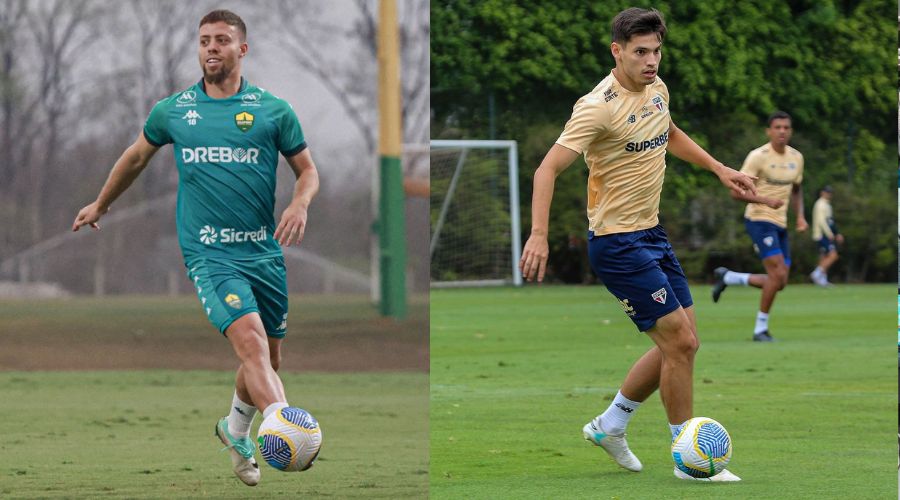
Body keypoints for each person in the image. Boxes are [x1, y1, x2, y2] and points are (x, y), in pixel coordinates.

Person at [72, 10, 320, 486]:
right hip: (209, 254)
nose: (211, 48)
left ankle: (235, 430)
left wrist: (300, 203)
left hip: (263, 254)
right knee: (249, 342)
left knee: (267, 358)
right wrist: (101, 203)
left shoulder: (273, 110)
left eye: (222, 40)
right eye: (204, 40)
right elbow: (136, 157)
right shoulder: (173, 110)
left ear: (241, 50)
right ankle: (286, 428)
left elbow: (307, 170)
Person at [518, 7, 754, 482]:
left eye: (656, 52)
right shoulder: (596, 107)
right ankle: (689, 459)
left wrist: (720, 168)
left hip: (651, 233)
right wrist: (538, 234)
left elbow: (667, 133)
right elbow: (547, 169)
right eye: (641, 52)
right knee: (681, 343)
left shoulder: (657, 90)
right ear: (617, 51)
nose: (651, 61)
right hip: (616, 243)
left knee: (682, 343)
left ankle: (611, 425)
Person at [711, 111, 807, 342]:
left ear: (790, 131)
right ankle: (760, 330)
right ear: (769, 131)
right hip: (759, 219)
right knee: (778, 274)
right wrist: (766, 201)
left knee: (780, 282)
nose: (782, 131)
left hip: (780, 223)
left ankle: (729, 278)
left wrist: (801, 217)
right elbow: (736, 191)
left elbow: (796, 189)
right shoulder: (758, 157)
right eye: (777, 127)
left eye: (786, 127)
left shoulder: (797, 157)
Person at [809, 185, 842, 286]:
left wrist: (836, 233)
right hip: (822, 234)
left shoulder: (827, 205)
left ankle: (822, 280)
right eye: (827, 192)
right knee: (833, 255)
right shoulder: (820, 204)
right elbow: (821, 221)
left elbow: (830, 221)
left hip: (825, 234)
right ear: (822, 193)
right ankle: (816, 274)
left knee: (824, 257)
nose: (829, 194)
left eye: (830, 193)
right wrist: (830, 234)